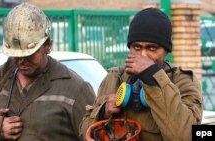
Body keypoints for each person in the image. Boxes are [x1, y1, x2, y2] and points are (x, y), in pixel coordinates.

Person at [0, 2, 95, 141]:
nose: (21, 61)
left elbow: (95, 134)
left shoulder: (75, 88)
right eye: (16, 54)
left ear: (48, 45)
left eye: (29, 54)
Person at [80, 8, 202, 141]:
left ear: (166, 51)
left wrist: (153, 78)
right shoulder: (115, 77)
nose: (143, 55)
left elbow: (186, 136)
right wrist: (103, 112)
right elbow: (84, 133)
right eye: (137, 47)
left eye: (152, 48)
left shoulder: (182, 80)